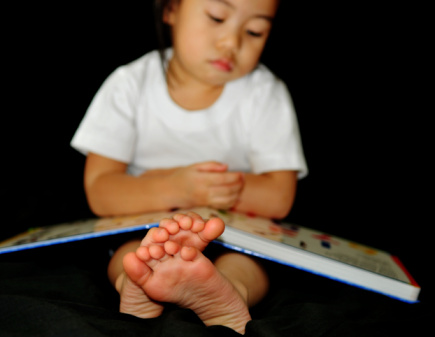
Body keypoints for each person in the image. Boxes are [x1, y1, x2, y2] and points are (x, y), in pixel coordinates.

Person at [71, 0, 307, 334]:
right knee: (131, 252)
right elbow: (100, 191)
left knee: (248, 260)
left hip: (230, 234)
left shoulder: (265, 93)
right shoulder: (129, 85)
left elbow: (280, 197)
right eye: (217, 17)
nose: (231, 43)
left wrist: (220, 189)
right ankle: (135, 285)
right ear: (170, 10)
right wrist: (176, 188)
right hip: (147, 229)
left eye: (255, 31)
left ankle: (228, 292)